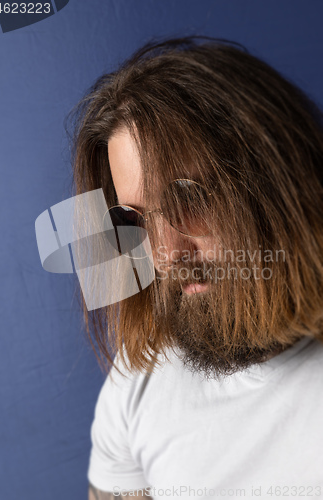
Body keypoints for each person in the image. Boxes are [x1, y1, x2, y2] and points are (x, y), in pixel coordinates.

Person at [69, 36, 323, 499]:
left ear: (279, 186)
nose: (165, 253)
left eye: (189, 199)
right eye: (134, 219)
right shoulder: (140, 374)